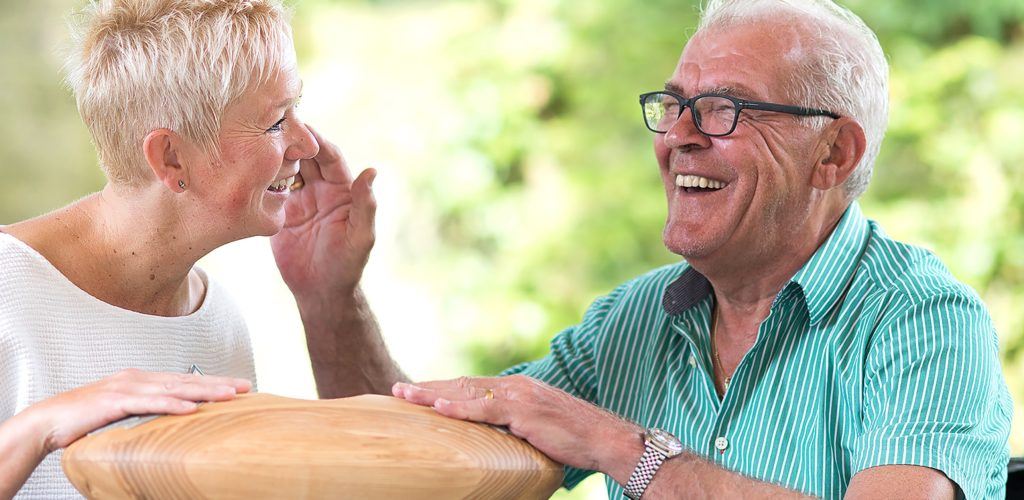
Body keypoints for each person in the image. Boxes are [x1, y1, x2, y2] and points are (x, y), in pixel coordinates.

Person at [276, 0, 1014, 498]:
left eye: (724, 108)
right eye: (674, 106)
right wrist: (330, 299)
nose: (677, 136)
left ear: (834, 153)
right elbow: (416, 473)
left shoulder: (922, 318)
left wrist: (621, 446)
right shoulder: (633, 320)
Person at [0, 0, 374, 498]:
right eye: (275, 121)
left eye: (295, 111)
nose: (306, 145)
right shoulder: (7, 289)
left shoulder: (218, 321)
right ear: (171, 157)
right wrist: (38, 426)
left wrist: (332, 294)